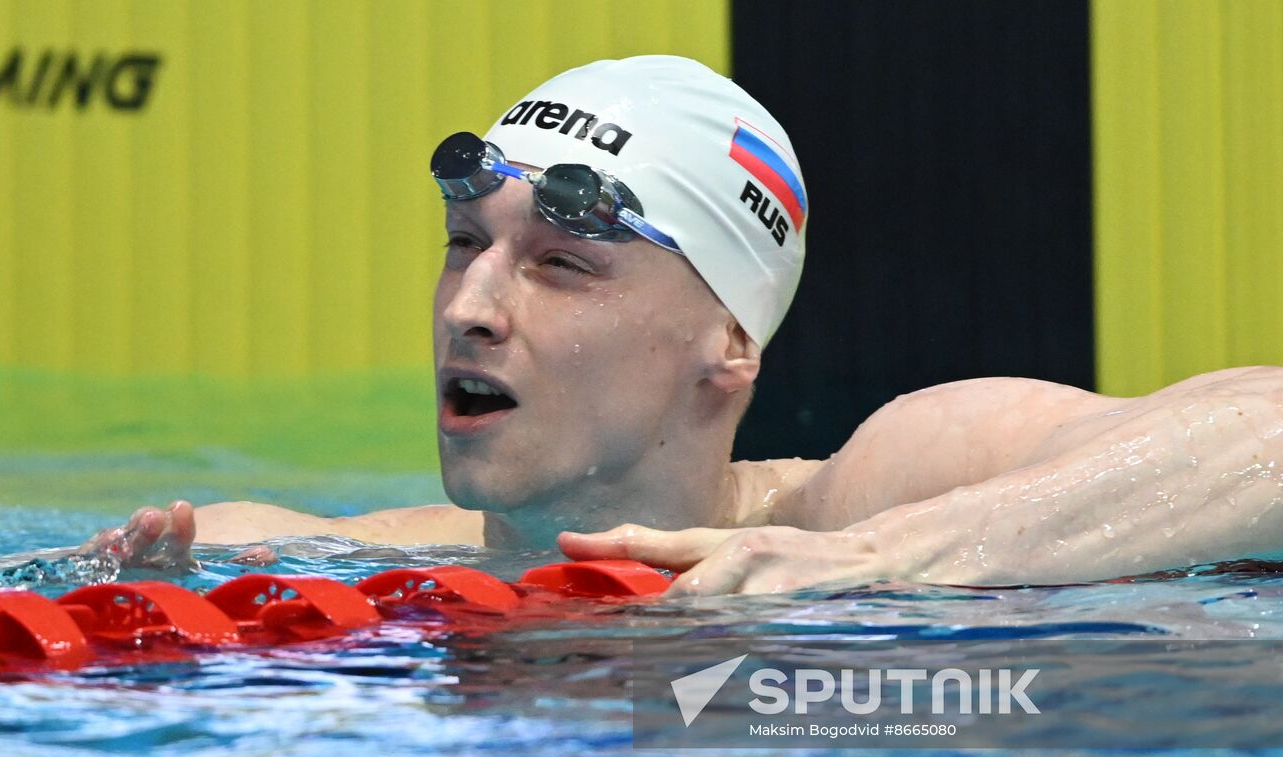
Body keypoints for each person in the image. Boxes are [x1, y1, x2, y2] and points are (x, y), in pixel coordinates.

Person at [81, 56, 1283, 595]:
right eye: (464, 244)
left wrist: (887, 563)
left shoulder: (867, 498)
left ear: (729, 348)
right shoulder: (287, 550)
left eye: (560, 265)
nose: (469, 306)